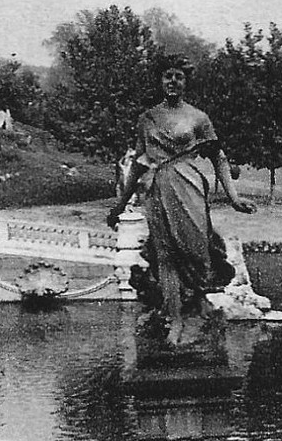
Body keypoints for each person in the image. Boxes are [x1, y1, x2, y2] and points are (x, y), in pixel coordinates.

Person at [109, 55, 258, 347]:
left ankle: (199, 307)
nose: (173, 81)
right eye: (168, 76)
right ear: (160, 80)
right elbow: (139, 162)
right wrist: (119, 204)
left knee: (197, 250)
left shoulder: (198, 118)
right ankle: (176, 319)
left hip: (189, 183)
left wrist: (234, 198)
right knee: (165, 255)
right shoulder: (147, 118)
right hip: (157, 189)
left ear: (186, 81)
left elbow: (219, 157)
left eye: (178, 76)